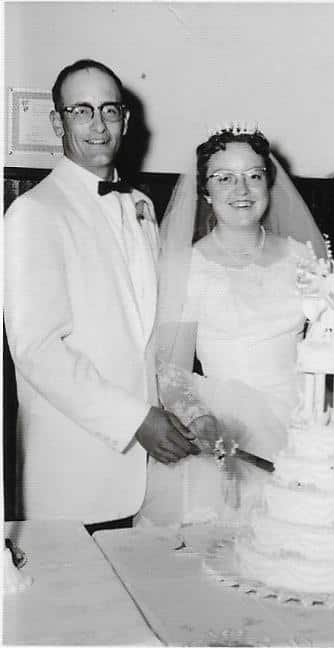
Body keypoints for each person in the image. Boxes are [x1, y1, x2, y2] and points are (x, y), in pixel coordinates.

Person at [4, 59, 205, 529]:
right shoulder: (33, 214)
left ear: (125, 121)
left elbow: (150, 328)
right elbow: (36, 350)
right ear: (58, 121)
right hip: (75, 474)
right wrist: (135, 419)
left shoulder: (142, 206)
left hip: (151, 474)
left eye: (109, 111)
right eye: (81, 111)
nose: (98, 125)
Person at [136, 123, 327, 527]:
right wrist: (199, 417)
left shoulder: (302, 257)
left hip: (305, 419)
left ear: (268, 184)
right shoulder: (188, 267)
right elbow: (170, 371)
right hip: (227, 424)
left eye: (253, 176)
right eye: (224, 179)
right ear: (206, 192)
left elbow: (328, 346)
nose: (241, 190)